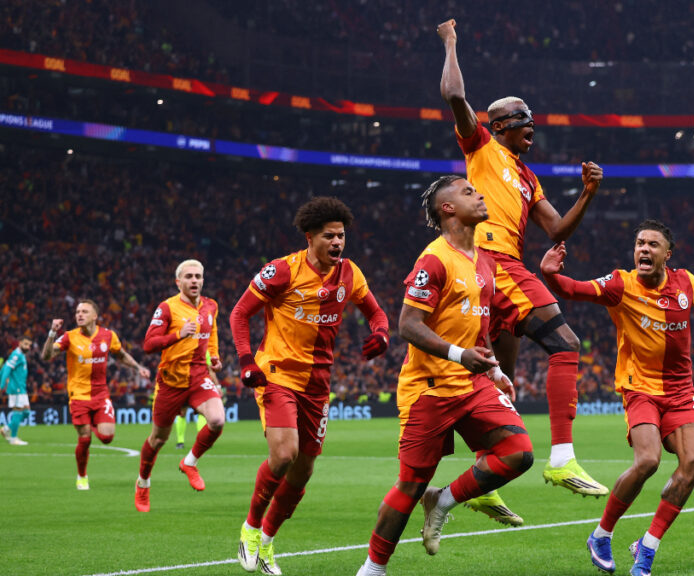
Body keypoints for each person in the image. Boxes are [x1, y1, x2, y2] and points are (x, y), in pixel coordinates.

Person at [437, 19, 607, 513]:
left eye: (531, 118)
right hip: (492, 260)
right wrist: (450, 43)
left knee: (497, 375)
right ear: (499, 125)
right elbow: (453, 94)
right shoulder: (482, 149)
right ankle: (561, 457)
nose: (532, 125)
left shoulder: (528, 178)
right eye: (522, 118)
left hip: (496, 271)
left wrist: (589, 195)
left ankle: (483, 479)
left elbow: (557, 230)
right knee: (566, 344)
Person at [539, 221, 694, 576]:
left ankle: (647, 547)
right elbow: (573, 289)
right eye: (640, 243)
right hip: (640, 388)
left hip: (680, 391)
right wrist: (550, 275)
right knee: (648, 461)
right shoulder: (620, 284)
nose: (644, 249)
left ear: (666, 255)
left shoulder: (685, 282)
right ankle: (601, 535)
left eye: (653, 245)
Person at [355, 175, 532, 576]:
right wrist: (458, 354)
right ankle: (372, 569)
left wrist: (496, 369)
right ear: (447, 208)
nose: (480, 195)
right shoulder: (434, 259)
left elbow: (480, 329)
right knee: (409, 484)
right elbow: (408, 324)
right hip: (429, 389)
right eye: (469, 192)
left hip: (472, 382)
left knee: (517, 453)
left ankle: (445, 500)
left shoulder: (484, 261)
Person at [230, 197, 390, 576]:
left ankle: (268, 541)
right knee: (284, 455)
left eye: (342, 236)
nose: (337, 242)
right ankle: (250, 528)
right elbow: (239, 313)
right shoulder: (281, 271)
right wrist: (245, 359)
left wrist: (380, 333)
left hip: (319, 385)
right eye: (329, 236)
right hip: (279, 376)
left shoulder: (350, 273)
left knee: (303, 471)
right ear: (310, 237)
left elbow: (377, 312)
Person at [134, 259, 225, 512]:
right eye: (189, 277)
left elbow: (212, 334)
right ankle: (143, 482)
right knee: (158, 438)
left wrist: (214, 357)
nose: (194, 280)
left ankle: (190, 462)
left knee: (217, 420)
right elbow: (148, 344)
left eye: (198, 276)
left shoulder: (211, 306)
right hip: (171, 381)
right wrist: (178, 334)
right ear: (179, 282)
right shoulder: (167, 308)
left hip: (198, 376)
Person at [42, 300, 151, 490]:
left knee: (107, 438)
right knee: (84, 439)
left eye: (84, 311)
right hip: (78, 396)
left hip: (101, 395)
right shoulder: (69, 337)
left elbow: (121, 354)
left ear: (95, 316)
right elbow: (46, 356)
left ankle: (91, 423)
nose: (79, 315)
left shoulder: (108, 335)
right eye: (77, 312)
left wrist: (138, 367)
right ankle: (82, 476)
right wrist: (52, 333)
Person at [0, 338, 33, 445]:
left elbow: (5, 367)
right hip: (16, 388)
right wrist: (2, 385)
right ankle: (13, 438)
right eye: (25, 344)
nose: (28, 347)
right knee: (18, 412)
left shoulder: (21, 355)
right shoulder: (16, 355)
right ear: (19, 344)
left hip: (21, 388)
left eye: (29, 345)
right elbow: (6, 369)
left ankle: (6, 429)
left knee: (26, 412)